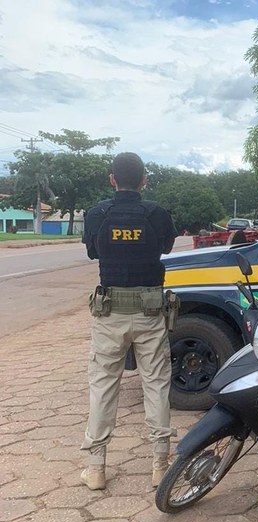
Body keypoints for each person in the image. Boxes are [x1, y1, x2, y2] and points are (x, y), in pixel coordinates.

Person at [80, 152, 178, 490]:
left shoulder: (97, 215)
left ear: (112, 179)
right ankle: (160, 464)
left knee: (103, 386)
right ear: (144, 180)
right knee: (156, 383)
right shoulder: (157, 215)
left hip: (109, 315)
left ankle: (95, 468)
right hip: (151, 312)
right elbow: (165, 247)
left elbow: (93, 252)